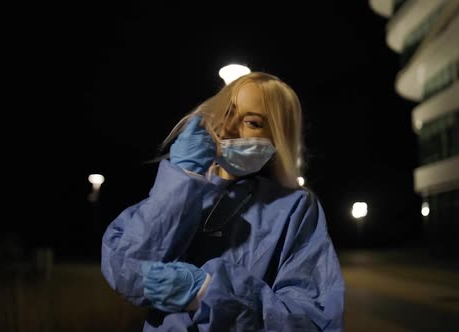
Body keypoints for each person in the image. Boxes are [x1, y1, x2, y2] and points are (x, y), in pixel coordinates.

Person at [101, 72, 345, 331]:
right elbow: (127, 269)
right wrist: (183, 180)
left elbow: (311, 320)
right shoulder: (182, 188)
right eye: (227, 112)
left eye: (251, 122)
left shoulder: (294, 207)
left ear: (279, 138)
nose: (228, 128)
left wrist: (209, 293)